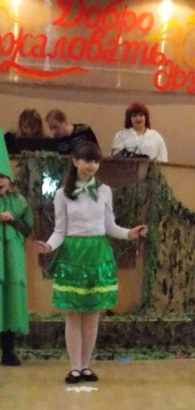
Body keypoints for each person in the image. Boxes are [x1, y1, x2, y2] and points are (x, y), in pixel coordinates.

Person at [34, 142, 147, 383]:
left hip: (98, 254)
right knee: (73, 314)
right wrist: (48, 246)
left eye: (96, 161)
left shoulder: (105, 191)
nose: (92, 165)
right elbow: (60, 230)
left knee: (93, 314)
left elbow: (110, 226)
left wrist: (130, 233)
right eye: (87, 160)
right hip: (73, 255)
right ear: (75, 161)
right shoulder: (62, 194)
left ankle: (86, 366)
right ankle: (74, 367)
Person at [0, 128, 34, 366]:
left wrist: (12, 220)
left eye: (2, 176)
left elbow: (28, 229)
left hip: (11, 259)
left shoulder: (18, 201)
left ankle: (9, 350)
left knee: (10, 300)